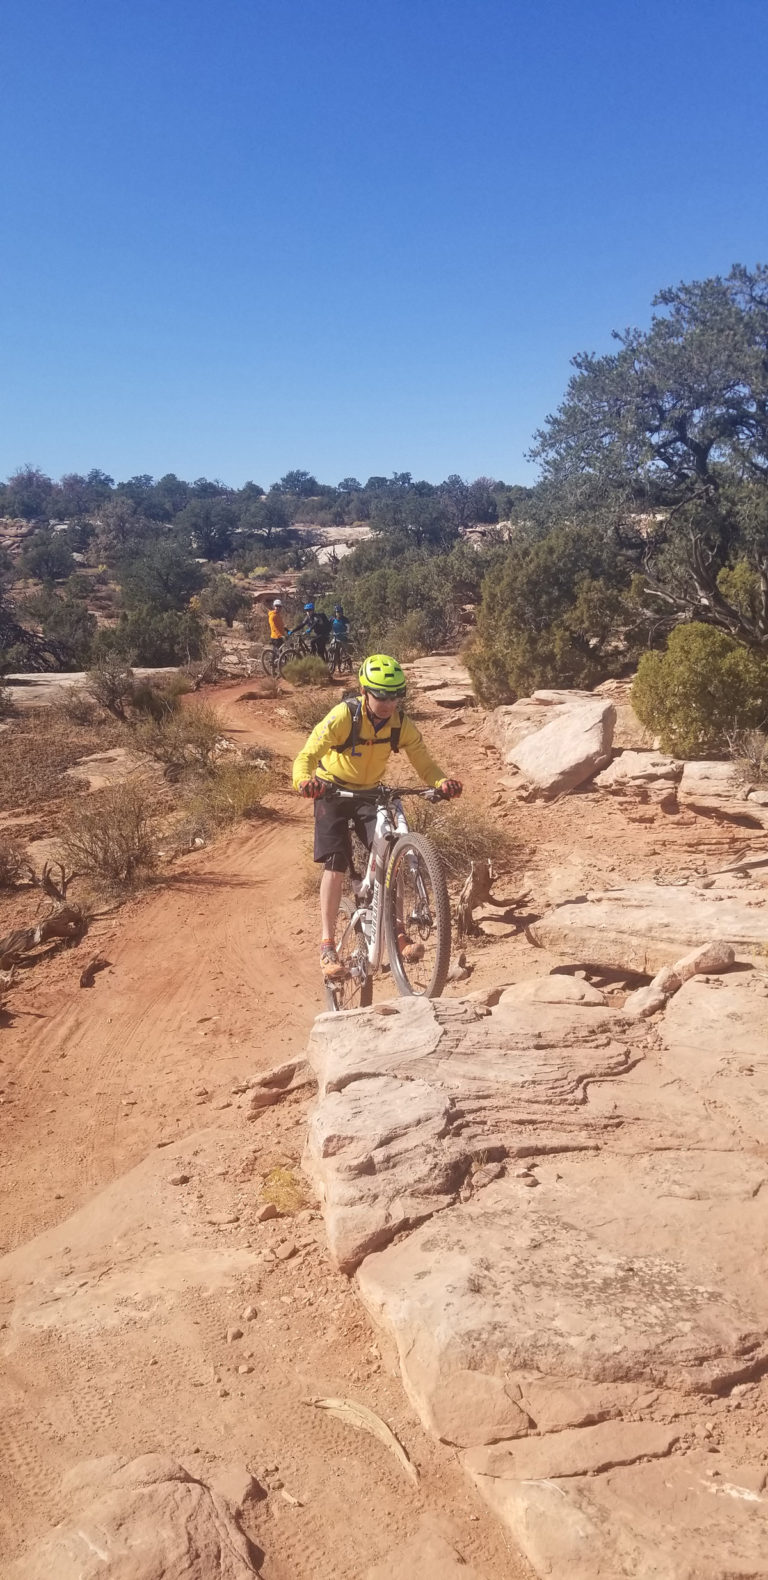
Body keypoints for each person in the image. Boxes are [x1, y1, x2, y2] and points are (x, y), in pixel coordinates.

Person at [292, 653, 462, 980]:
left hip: (370, 793)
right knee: (336, 862)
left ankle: (397, 932)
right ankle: (327, 944)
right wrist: (303, 780)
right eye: (380, 695)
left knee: (390, 855)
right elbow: (308, 753)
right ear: (364, 690)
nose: (387, 703)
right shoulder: (345, 716)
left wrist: (440, 782)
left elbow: (424, 763)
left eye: (395, 695)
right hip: (333, 791)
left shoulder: (401, 724)